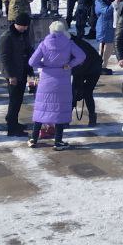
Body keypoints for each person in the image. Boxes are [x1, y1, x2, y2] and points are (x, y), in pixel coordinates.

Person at [27, 21, 86, 149]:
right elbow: (81, 56)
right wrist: (69, 65)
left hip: (46, 79)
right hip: (62, 79)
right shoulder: (69, 43)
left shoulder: (44, 44)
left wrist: (43, 65)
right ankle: (58, 141)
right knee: (59, 111)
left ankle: (33, 138)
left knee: (41, 109)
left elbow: (32, 61)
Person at [0, 13, 34, 136]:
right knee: (14, 100)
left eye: (26, 26)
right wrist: (10, 76)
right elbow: (4, 58)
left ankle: (13, 121)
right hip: (13, 74)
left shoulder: (23, 34)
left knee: (19, 100)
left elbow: (29, 50)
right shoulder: (7, 37)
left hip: (23, 70)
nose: (25, 28)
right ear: (16, 24)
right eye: (23, 26)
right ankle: (12, 128)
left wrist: (30, 70)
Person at [70, 34, 102, 126]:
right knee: (78, 93)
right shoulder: (74, 41)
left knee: (81, 93)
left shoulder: (73, 45)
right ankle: (92, 119)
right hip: (91, 67)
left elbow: (82, 62)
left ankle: (91, 118)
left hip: (92, 69)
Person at [94, 0, 116, 73]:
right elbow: (106, 11)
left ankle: (104, 65)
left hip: (108, 27)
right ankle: (101, 67)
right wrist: (115, 3)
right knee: (104, 49)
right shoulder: (99, 2)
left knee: (109, 49)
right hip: (103, 28)